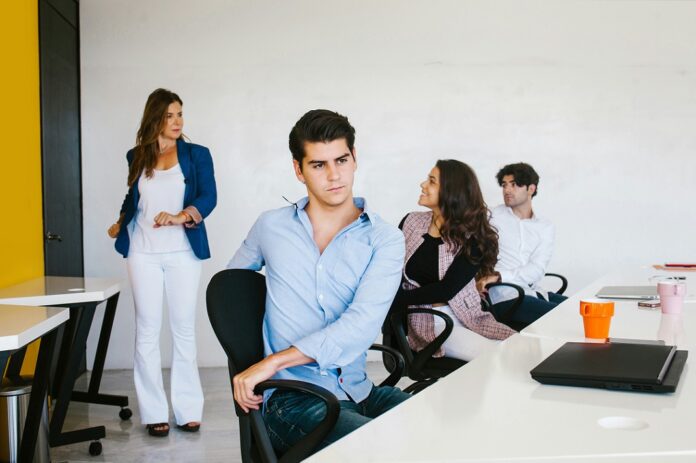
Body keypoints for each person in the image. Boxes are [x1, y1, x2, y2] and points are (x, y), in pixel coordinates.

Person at [227, 109, 409, 454]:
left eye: (341, 160)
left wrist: (272, 360)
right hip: (293, 399)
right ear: (299, 170)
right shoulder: (271, 227)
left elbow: (361, 325)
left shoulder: (384, 239)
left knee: (438, 432)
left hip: (360, 390)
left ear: (355, 158)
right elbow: (229, 291)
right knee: (381, 452)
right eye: (318, 165)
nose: (334, 175)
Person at [108, 88, 217, 437]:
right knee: (147, 330)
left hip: (183, 253)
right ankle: (153, 412)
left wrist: (181, 216)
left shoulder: (197, 154)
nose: (177, 122)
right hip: (142, 252)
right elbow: (134, 195)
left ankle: (187, 411)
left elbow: (208, 196)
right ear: (154, 117)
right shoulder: (136, 155)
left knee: (184, 329)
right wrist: (120, 220)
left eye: (180, 114)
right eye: (169, 115)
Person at [393, 160, 516, 362]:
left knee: (520, 351)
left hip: (471, 317)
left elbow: (446, 289)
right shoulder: (410, 223)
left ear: (452, 192)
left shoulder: (473, 236)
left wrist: (396, 299)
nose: (422, 184)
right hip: (433, 322)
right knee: (497, 359)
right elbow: (391, 271)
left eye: (431, 181)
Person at [487, 162, 566, 326]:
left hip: (534, 292)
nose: (507, 190)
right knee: (565, 321)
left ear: (531, 189)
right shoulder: (490, 216)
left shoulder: (545, 227)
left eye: (514, 185)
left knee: (581, 309)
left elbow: (537, 269)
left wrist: (500, 275)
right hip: (504, 296)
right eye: (504, 185)